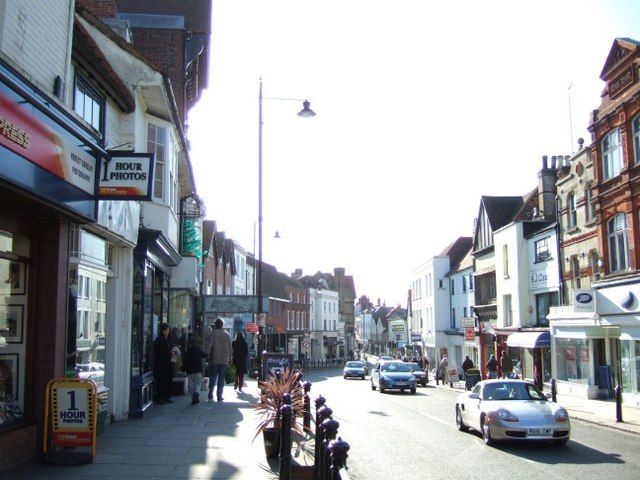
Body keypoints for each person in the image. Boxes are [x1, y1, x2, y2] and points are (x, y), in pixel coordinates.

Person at [208, 318, 232, 402]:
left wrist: (207, 355)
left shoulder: (213, 333)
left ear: (216, 325)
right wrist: (230, 359)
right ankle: (219, 396)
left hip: (215, 359)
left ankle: (211, 393)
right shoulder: (227, 334)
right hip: (224, 360)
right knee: (221, 378)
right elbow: (230, 348)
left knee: (213, 377)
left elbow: (210, 345)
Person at [182, 337, 208, 404]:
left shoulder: (188, 352)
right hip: (198, 370)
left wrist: (183, 369)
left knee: (191, 385)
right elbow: (205, 355)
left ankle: (193, 398)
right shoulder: (198, 350)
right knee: (198, 383)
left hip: (190, 371)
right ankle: (196, 393)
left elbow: (185, 361)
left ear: (190, 344)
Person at [154, 323, 173, 404]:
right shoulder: (160, 339)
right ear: (162, 330)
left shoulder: (167, 339)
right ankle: (160, 397)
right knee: (162, 381)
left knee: (166, 380)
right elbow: (160, 352)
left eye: (167, 330)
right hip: (161, 364)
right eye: (165, 330)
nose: (166, 332)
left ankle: (165, 397)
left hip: (167, 363)